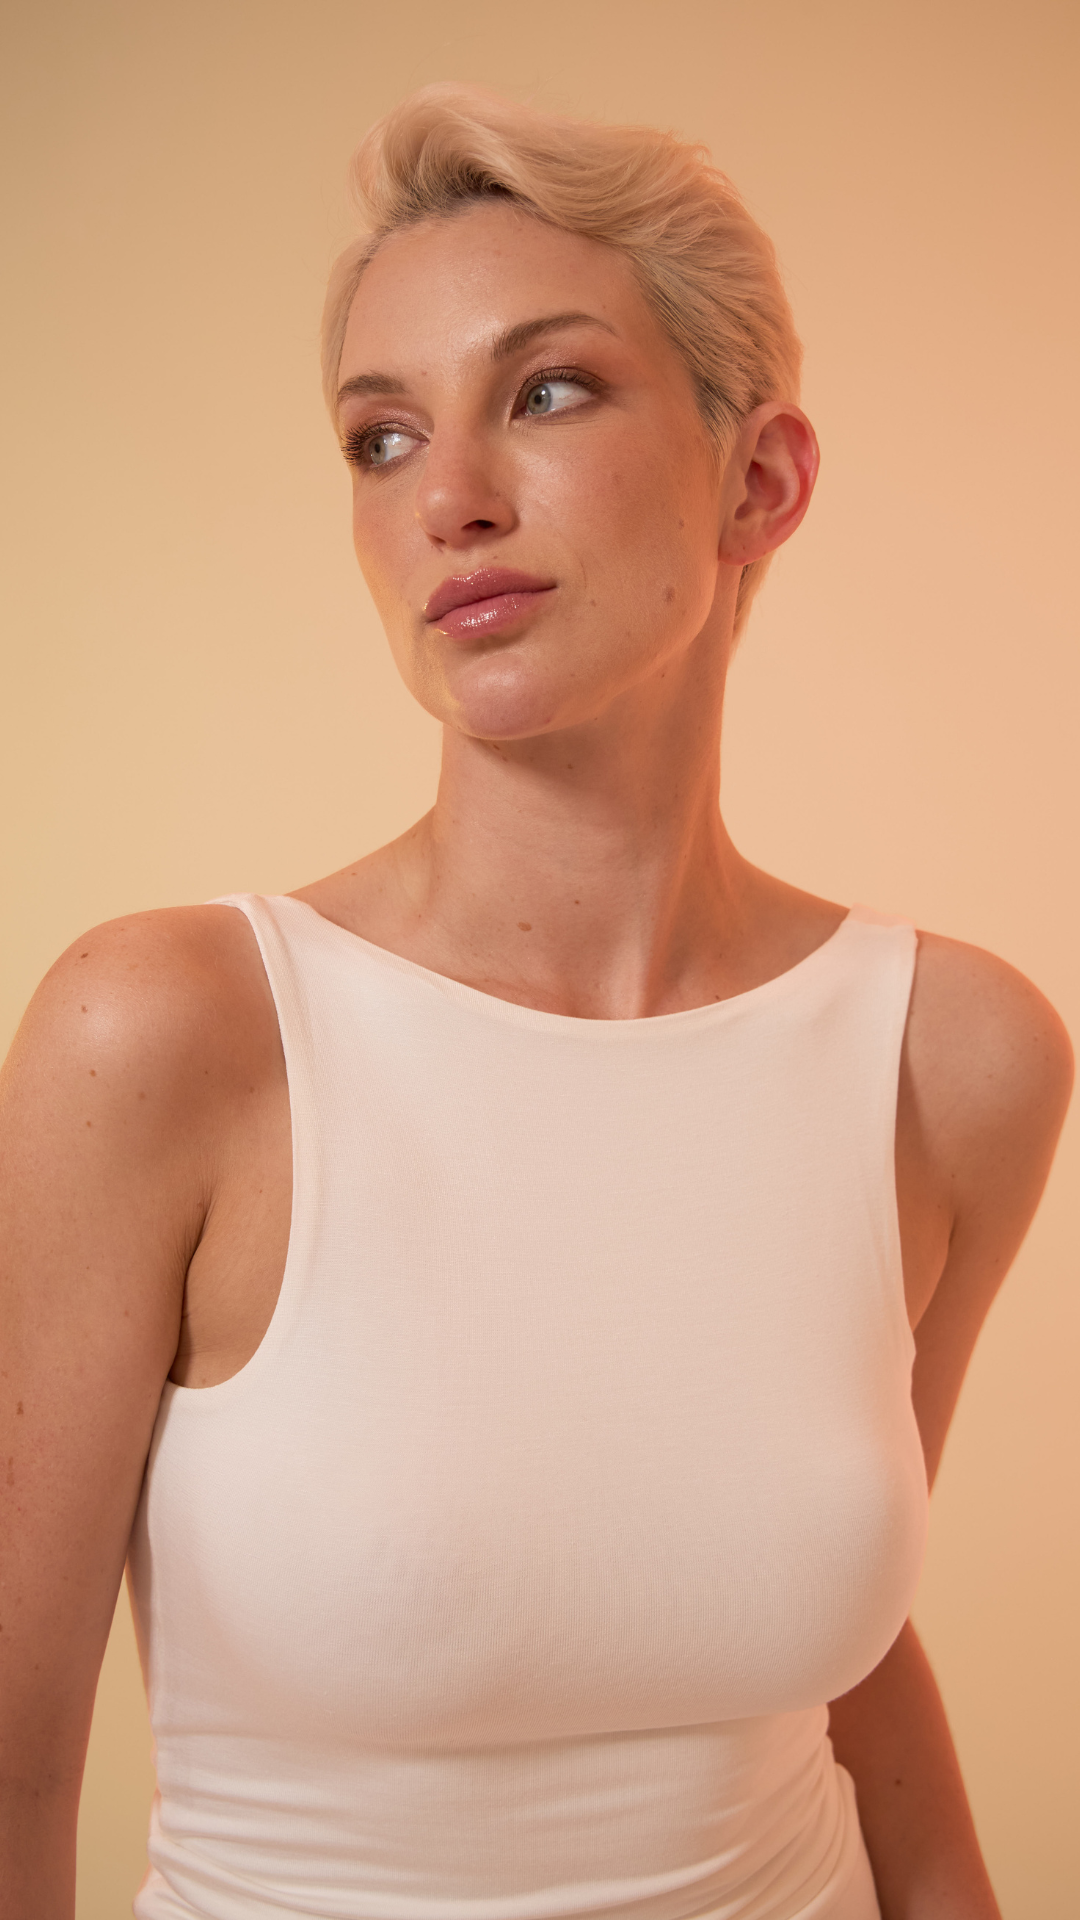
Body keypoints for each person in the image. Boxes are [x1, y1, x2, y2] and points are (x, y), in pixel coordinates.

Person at [0, 82, 1071, 1920]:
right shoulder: (171, 1035)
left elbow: (835, 1656)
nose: (451, 501)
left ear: (760, 482)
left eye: (549, 392)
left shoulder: (954, 1059)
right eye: (381, 437)